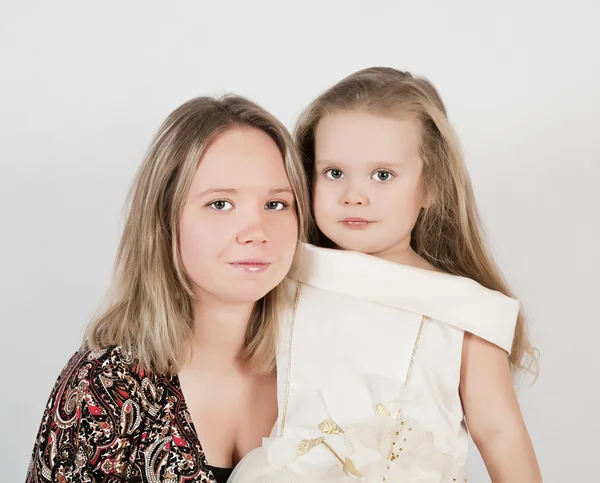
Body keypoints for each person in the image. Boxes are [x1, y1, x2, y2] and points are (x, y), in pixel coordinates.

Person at [229, 67, 542, 482]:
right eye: (334, 173)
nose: (354, 195)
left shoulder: (466, 309)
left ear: (431, 186)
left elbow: (500, 431)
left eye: (382, 175)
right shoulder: (288, 274)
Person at [25, 94, 310, 483]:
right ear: (164, 218)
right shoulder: (105, 389)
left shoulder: (316, 365)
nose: (256, 232)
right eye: (221, 204)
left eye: (276, 204)